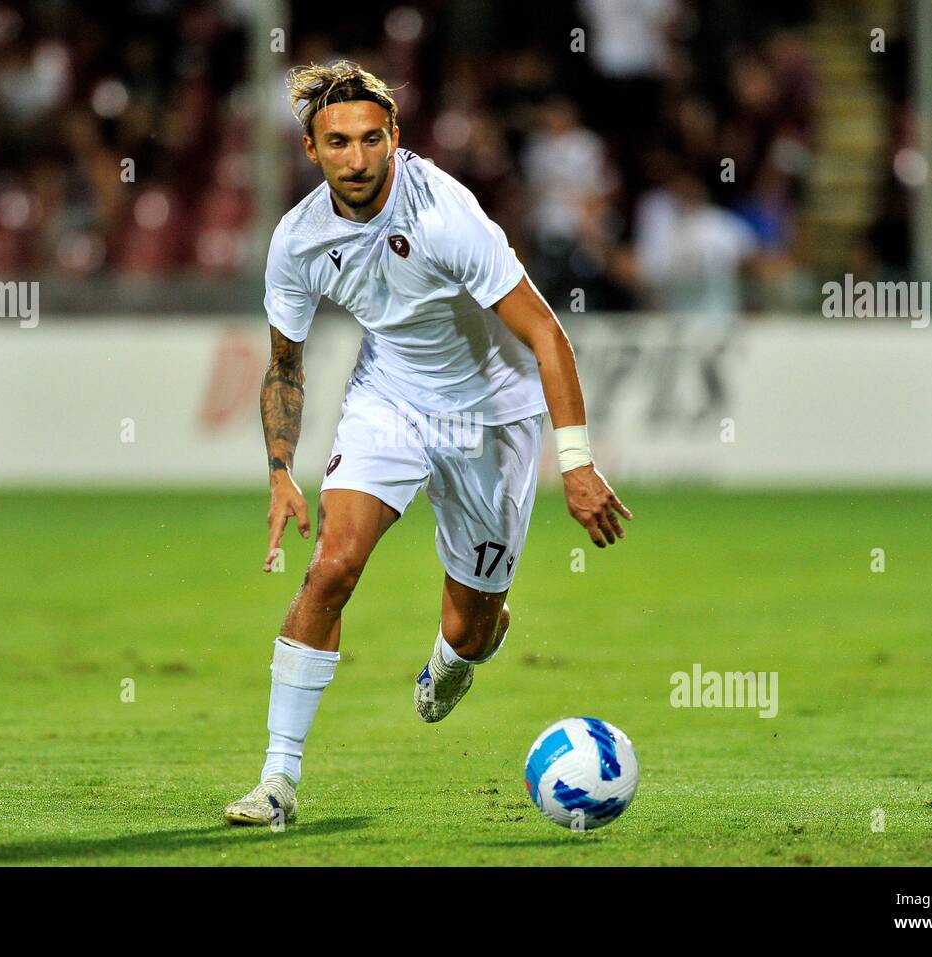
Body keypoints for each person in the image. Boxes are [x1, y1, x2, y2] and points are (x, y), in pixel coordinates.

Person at [224, 62, 632, 826]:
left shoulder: (445, 213)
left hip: (492, 417)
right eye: (337, 142)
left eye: (371, 139)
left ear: (394, 139)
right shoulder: (299, 241)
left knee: (471, 627)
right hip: (391, 402)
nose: (356, 157)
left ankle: (457, 658)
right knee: (332, 566)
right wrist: (280, 471)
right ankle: (278, 780)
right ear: (311, 149)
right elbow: (285, 366)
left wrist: (576, 464)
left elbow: (546, 333)